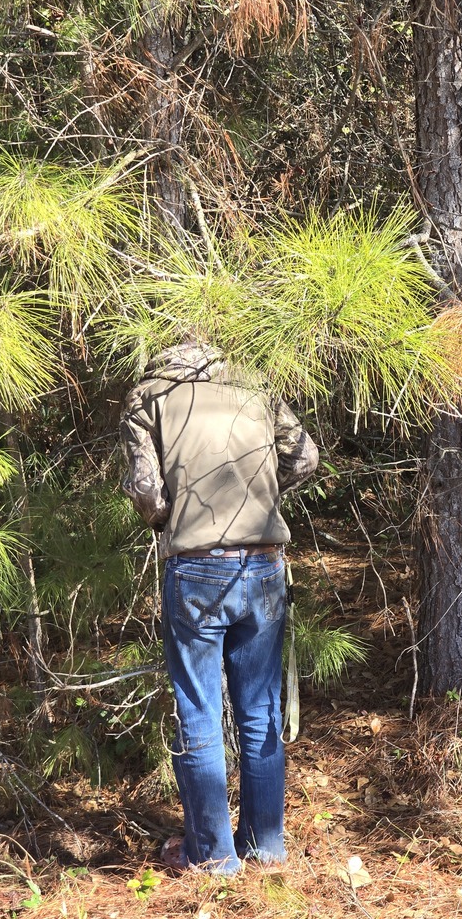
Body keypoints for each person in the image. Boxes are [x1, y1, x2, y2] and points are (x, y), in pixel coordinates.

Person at [120, 342, 319, 872]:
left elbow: (148, 492)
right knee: (260, 710)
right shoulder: (256, 385)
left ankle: (213, 857)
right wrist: (263, 498)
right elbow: (305, 457)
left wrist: (169, 518)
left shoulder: (149, 397)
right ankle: (266, 846)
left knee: (199, 711)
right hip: (264, 564)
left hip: (197, 570)